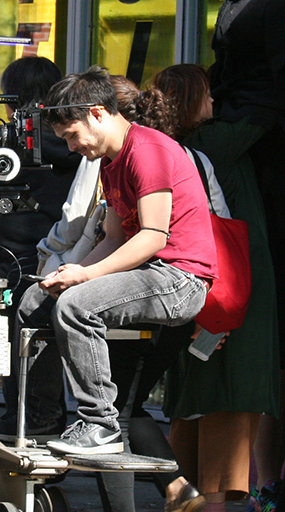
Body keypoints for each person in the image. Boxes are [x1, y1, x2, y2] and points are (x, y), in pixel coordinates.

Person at [18, 66, 215, 456]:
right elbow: (113, 237)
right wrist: (67, 273)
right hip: (150, 272)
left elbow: (153, 236)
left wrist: (84, 277)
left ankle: (99, 424)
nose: (71, 148)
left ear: (97, 113)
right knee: (34, 302)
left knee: (76, 305)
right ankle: (38, 418)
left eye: (71, 136)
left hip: (180, 279)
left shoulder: (148, 150)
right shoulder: (111, 160)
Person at [146, 63, 279, 512]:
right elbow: (265, 107)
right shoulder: (213, 143)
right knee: (229, 397)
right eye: (208, 93)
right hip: (227, 294)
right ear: (191, 102)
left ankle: (186, 495)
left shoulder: (164, 148)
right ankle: (212, 503)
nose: (216, 102)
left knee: (192, 400)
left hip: (187, 292)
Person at [186, 3, 285, 511]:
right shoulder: (224, 140)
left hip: (201, 305)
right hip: (235, 290)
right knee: (243, 392)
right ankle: (247, 490)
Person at [0, 56, 79, 442]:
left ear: (13, 99)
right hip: (62, 255)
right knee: (40, 339)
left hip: (14, 254)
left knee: (16, 337)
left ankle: (22, 418)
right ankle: (43, 417)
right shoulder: (75, 144)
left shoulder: (12, 148)